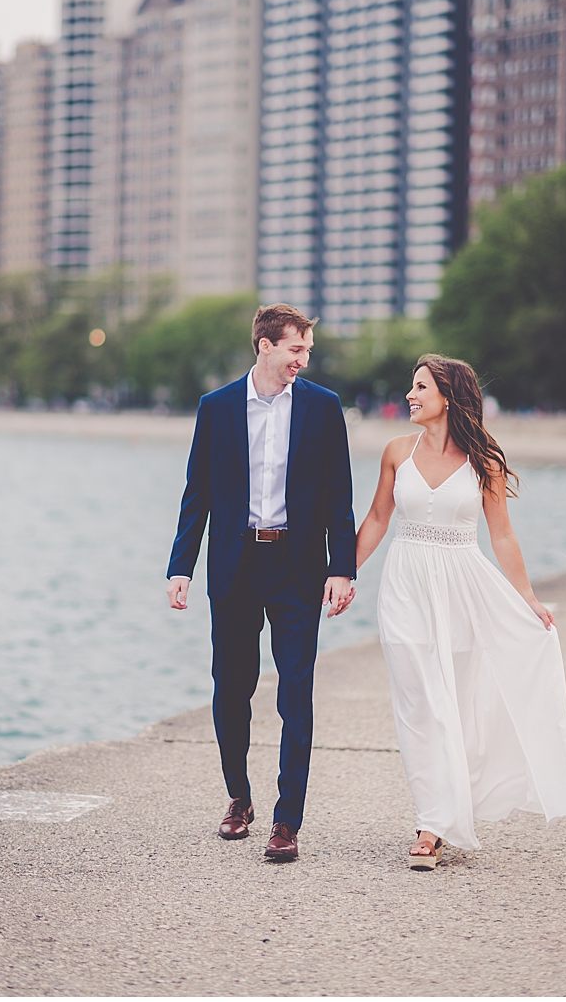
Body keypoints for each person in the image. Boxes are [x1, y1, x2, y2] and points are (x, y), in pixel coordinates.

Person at [354, 355, 566, 869]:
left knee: (452, 705)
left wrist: (527, 598)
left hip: (462, 587)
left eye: (419, 387)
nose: (409, 396)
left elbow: (501, 534)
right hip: (405, 584)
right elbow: (375, 518)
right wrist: (342, 573)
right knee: (418, 704)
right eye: (411, 387)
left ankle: (440, 817)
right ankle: (433, 820)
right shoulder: (396, 452)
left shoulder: (485, 460)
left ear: (448, 396)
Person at [166, 303, 357, 863]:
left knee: (296, 691)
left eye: (308, 352)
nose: (303, 360)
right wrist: (181, 566)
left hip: (298, 567)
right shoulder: (217, 407)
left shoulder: (323, 408)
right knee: (231, 688)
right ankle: (239, 798)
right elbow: (195, 494)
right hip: (234, 565)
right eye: (296, 349)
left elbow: (338, 496)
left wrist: (341, 568)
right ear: (265, 346)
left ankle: (286, 820)